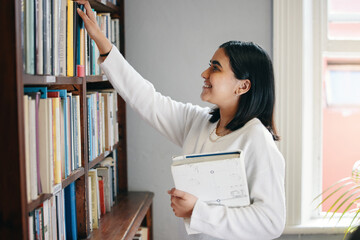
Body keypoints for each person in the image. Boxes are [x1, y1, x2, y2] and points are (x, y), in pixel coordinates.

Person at [76, 1, 286, 239]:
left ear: (243, 86)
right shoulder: (199, 122)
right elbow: (147, 99)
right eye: (209, 65)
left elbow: (271, 222)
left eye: (215, 68)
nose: (204, 73)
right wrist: (104, 45)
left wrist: (198, 211)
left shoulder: (257, 139)